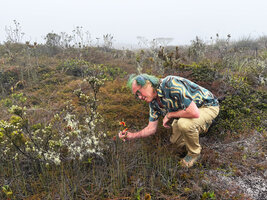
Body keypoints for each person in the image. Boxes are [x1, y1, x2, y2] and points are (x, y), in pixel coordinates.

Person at [119, 74, 219, 168]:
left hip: (207, 106)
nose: (140, 97)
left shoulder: (170, 84)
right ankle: (201, 127)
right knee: (175, 142)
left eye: (139, 92)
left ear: (148, 84)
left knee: (184, 124)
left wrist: (170, 115)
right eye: (136, 95)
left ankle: (194, 154)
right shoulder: (154, 103)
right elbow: (151, 128)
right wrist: (131, 135)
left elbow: (194, 113)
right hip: (187, 113)